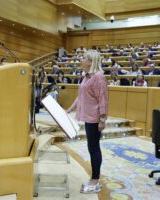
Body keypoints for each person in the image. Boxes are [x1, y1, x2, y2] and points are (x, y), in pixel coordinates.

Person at [67, 50, 108, 193]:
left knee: (94, 148)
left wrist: (102, 119)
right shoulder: (87, 76)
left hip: (95, 118)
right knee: (92, 147)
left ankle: (95, 179)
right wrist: (70, 109)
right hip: (88, 117)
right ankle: (94, 177)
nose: (81, 60)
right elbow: (81, 96)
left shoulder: (98, 77)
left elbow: (102, 99)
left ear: (91, 61)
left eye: (84, 58)